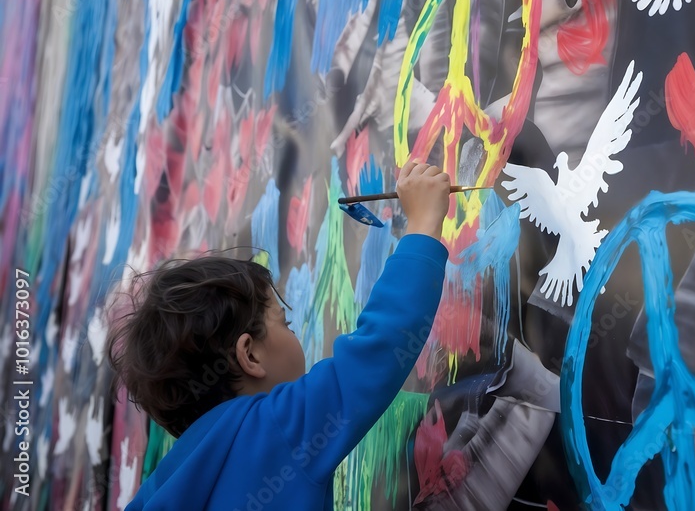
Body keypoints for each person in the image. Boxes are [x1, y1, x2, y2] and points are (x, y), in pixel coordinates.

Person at [109, 162, 452, 510]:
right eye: (284, 323)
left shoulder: (160, 488)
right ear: (250, 356)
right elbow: (378, 349)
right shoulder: (271, 429)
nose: (294, 333)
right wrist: (423, 225)